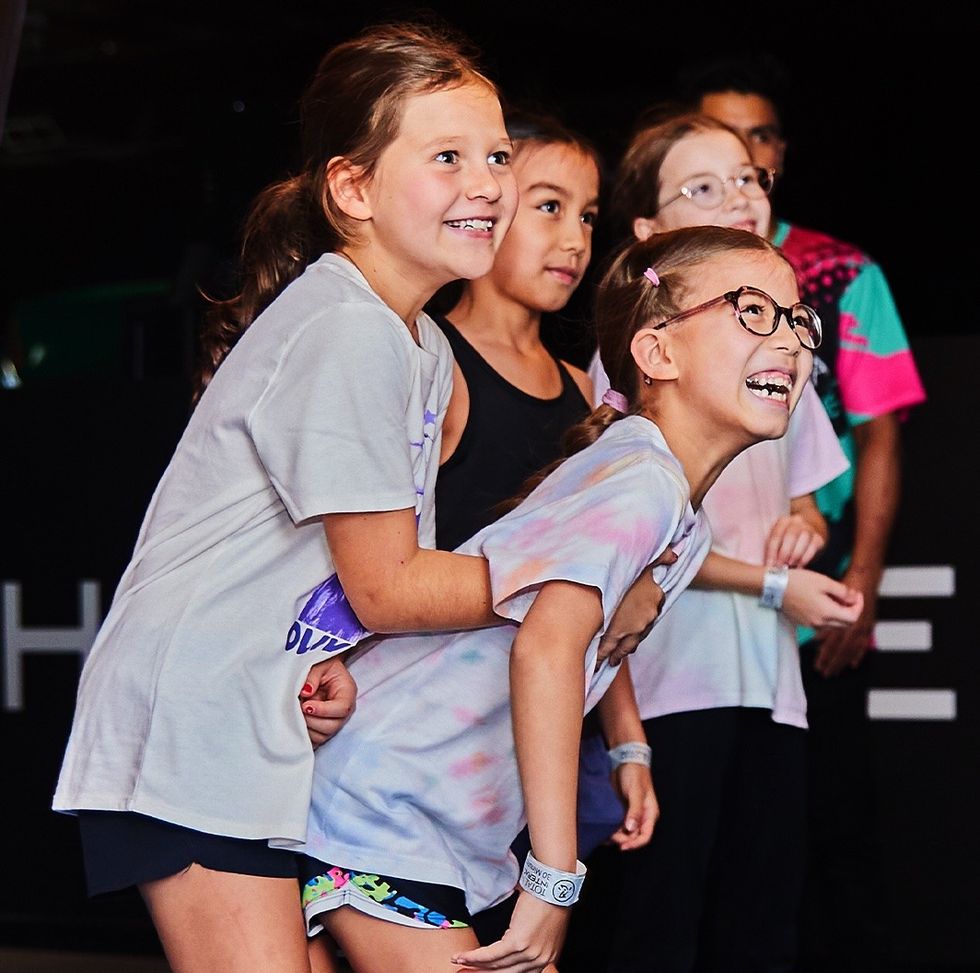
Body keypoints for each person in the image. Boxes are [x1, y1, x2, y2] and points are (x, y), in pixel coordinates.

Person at [50, 22, 525, 973]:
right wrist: (563, 581)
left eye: (498, 155)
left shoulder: (416, 345)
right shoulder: (347, 328)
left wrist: (322, 659)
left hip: (253, 726)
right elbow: (391, 583)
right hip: (190, 731)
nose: (487, 183)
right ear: (352, 189)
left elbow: (351, 589)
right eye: (448, 157)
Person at [295, 224, 818, 973]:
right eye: (753, 311)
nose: (792, 340)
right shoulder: (642, 482)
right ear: (657, 352)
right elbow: (548, 644)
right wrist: (553, 876)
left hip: (422, 820)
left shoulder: (670, 501)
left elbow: (586, 632)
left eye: (799, 319)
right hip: (382, 805)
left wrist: (629, 745)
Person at [564, 113, 863, 973]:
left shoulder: (786, 362)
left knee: (761, 910)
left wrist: (806, 528)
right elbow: (631, 549)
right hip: (668, 682)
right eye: (704, 187)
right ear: (649, 234)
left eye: (748, 178)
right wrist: (775, 586)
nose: (739, 197)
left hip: (770, 682)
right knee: (663, 912)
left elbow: (808, 502)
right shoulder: (633, 368)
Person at [674, 55, 927, 971]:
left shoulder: (835, 271)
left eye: (762, 138)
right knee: (689, 855)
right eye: (721, 137)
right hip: (684, 616)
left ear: (779, 155)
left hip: (807, 587)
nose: (745, 155)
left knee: (824, 825)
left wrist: (856, 577)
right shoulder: (657, 286)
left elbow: (882, 432)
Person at [433, 107, 598, 552]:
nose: (576, 241)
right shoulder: (432, 362)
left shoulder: (581, 388)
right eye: (550, 206)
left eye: (587, 217)